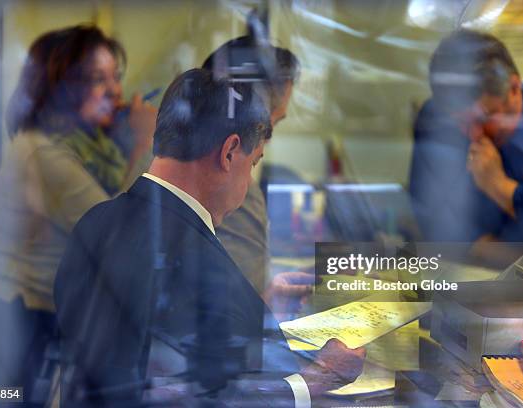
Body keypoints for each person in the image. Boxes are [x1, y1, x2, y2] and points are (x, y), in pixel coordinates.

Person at [54, 68, 365, 407]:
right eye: (254, 163)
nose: (248, 184)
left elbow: (132, 347)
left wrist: (252, 310)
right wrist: (319, 377)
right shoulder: (199, 263)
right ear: (230, 152)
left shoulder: (95, 223)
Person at [0, 25, 157, 399]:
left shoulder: (65, 148)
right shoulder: (45, 156)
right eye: (98, 79)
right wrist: (146, 141)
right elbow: (117, 230)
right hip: (15, 325)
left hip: (21, 321)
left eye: (116, 77)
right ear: (62, 87)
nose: (115, 91)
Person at [409, 29, 523, 271]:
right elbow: (440, 228)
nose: (473, 134)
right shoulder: (435, 119)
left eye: (485, 118)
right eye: (460, 122)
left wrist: (499, 186)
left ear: (514, 88)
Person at [202, 34, 312, 313]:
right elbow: (245, 311)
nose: (269, 140)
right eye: (272, 123)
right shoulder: (229, 183)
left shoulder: (169, 163)